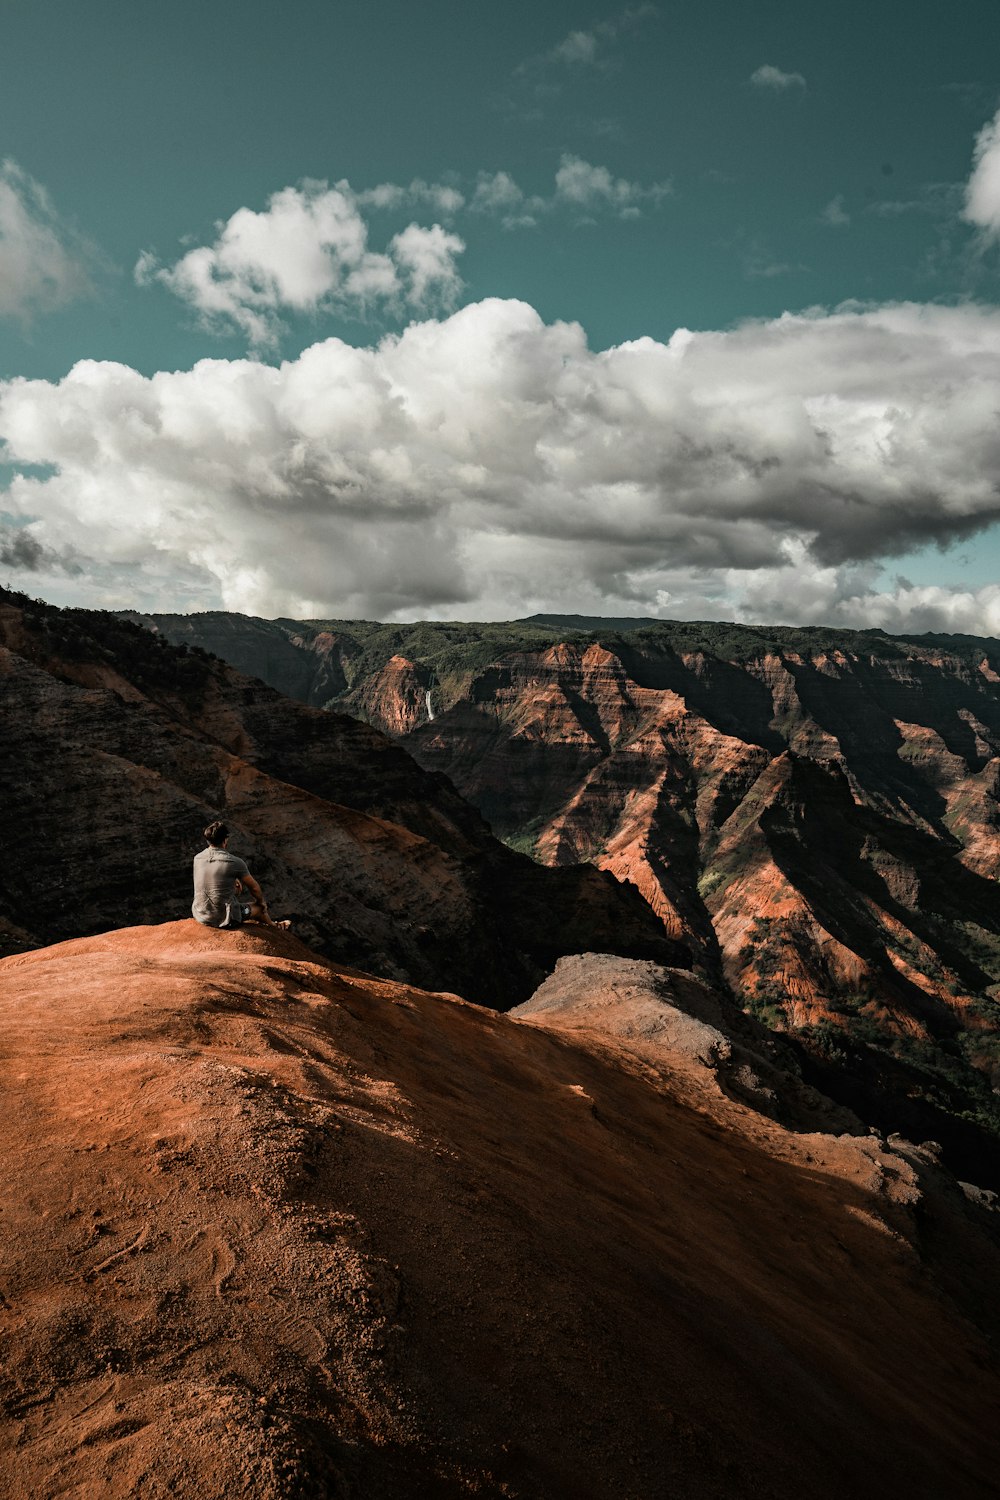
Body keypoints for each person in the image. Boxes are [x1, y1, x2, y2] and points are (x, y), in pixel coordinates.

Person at [191, 821, 290, 930]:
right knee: (259, 909)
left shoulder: (197, 858)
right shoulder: (234, 862)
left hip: (200, 914)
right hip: (224, 918)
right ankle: (275, 926)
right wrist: (261, 902)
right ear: (226, 839)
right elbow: (254, 888)